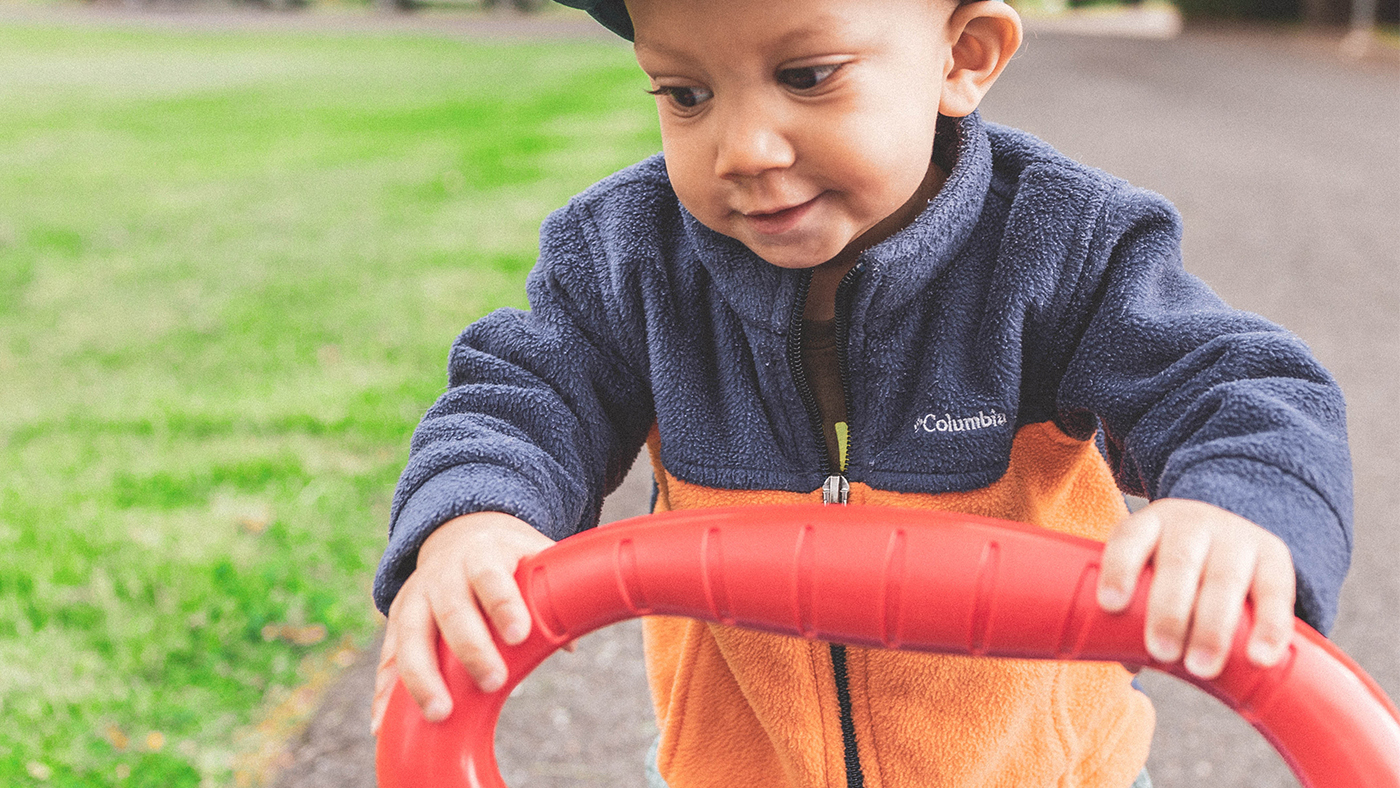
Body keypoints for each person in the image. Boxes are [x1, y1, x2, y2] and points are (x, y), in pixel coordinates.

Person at [369, 0, 1354, 785]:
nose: (742, 146)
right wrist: (477, 514)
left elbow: (1238, 387)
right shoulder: (630, 258)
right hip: (731, 769)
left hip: (1041, 772)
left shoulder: (1061, 245)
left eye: (804, 76)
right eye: (684, 92)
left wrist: (1235, 515)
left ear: (961, 55)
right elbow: (522, 395)